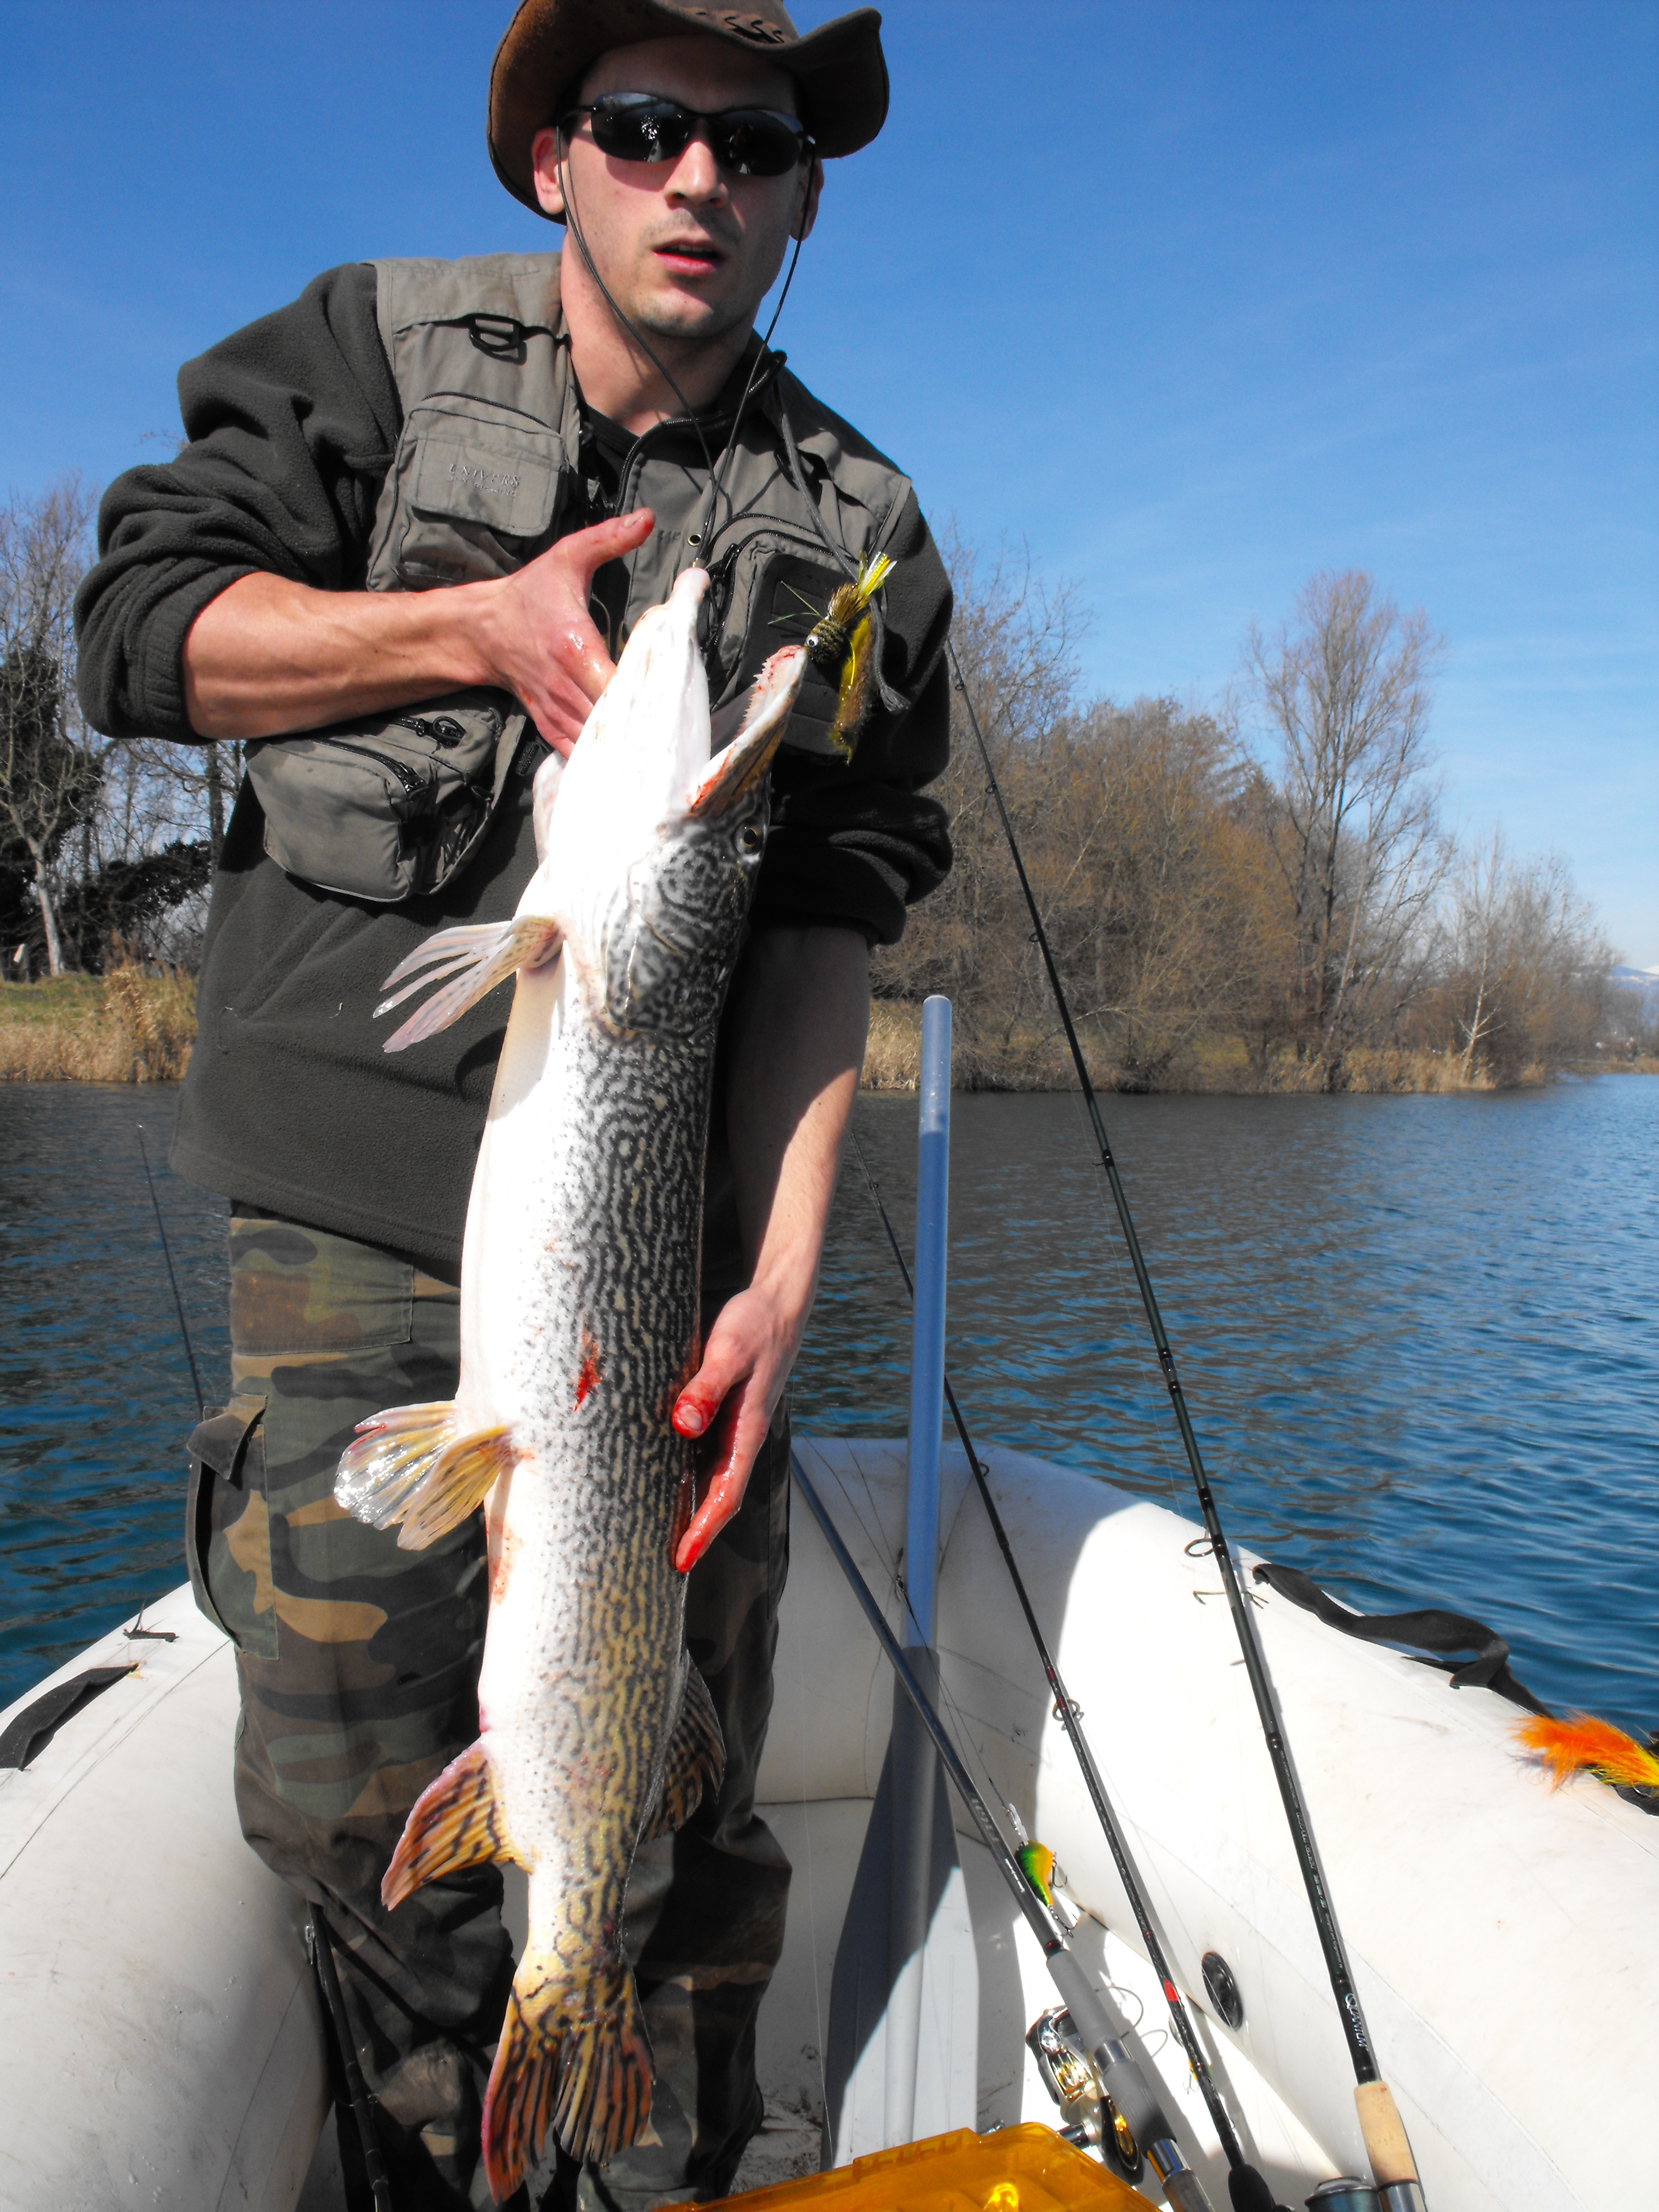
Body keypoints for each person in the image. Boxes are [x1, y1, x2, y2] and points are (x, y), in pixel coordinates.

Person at [75, 2, 951, 2205]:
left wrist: (784, 1279)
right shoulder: (368, 355)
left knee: (662, 1807)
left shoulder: (865, 526)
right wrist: (472, 630)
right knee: (364, 1823)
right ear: (556, 155)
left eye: (755, 144)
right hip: (352, 1241)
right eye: (647, 127)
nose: (701, 179)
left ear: (802, 196)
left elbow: (829, 926)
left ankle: (646, 2156)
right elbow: (141, 637)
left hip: (663, 1286)